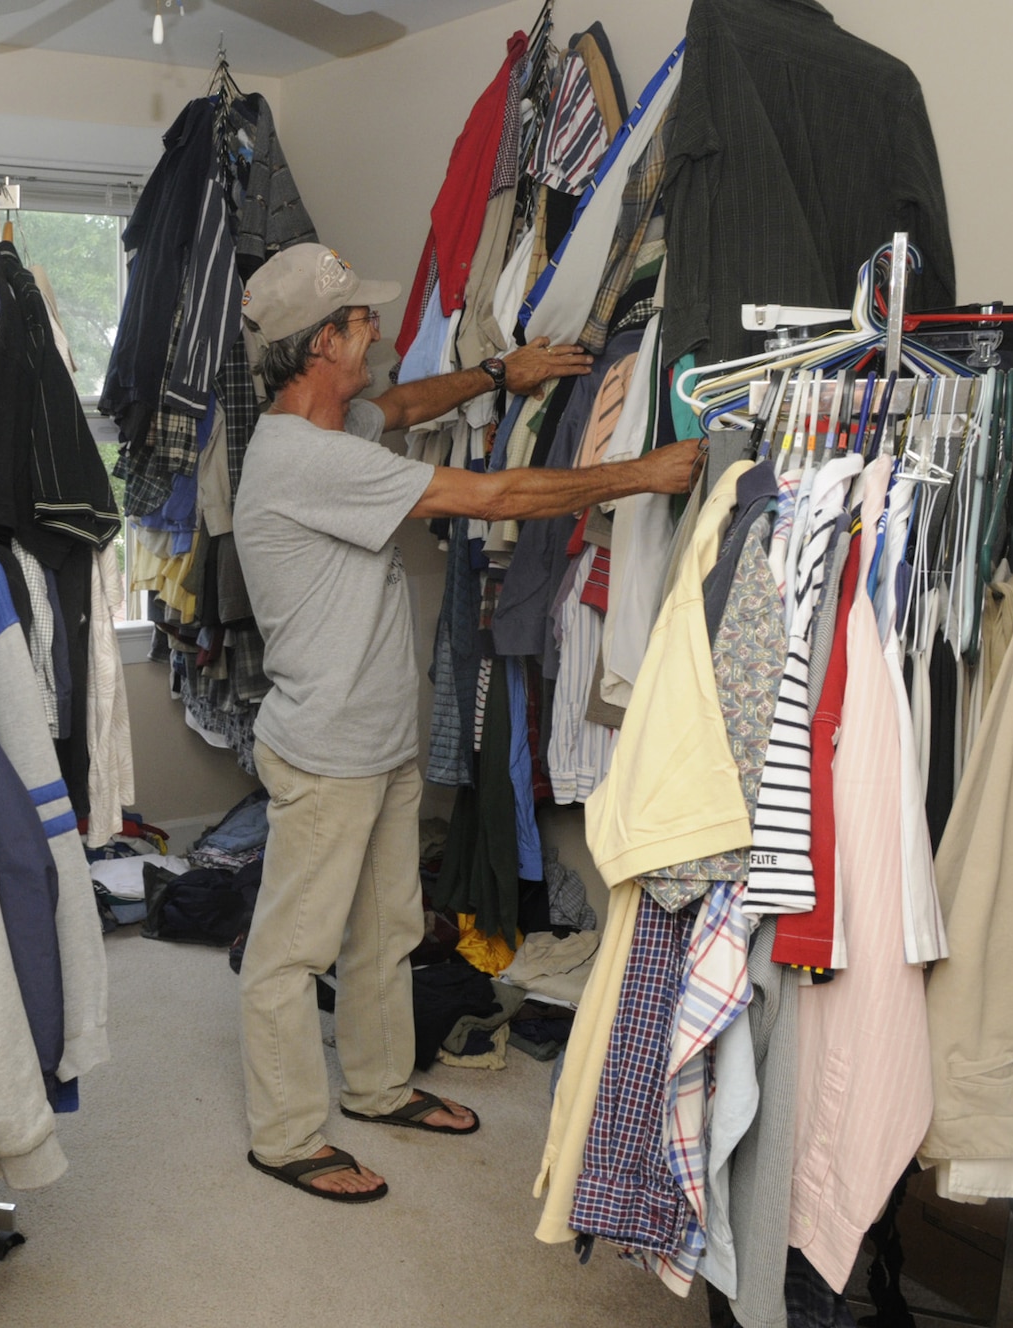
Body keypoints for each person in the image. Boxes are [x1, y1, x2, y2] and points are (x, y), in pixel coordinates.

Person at [232, 243, 704, 1202]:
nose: (376, 331)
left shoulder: (341, 421)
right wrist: (636, 474)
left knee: (386, 927)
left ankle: (374, 1087)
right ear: (322, 342)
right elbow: (492, 496)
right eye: (360, 320)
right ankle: (284, 1136)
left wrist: (498, 374)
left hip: (376, 741)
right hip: (325, 752)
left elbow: (404, 406)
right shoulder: (304, 459)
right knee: (291, 951)